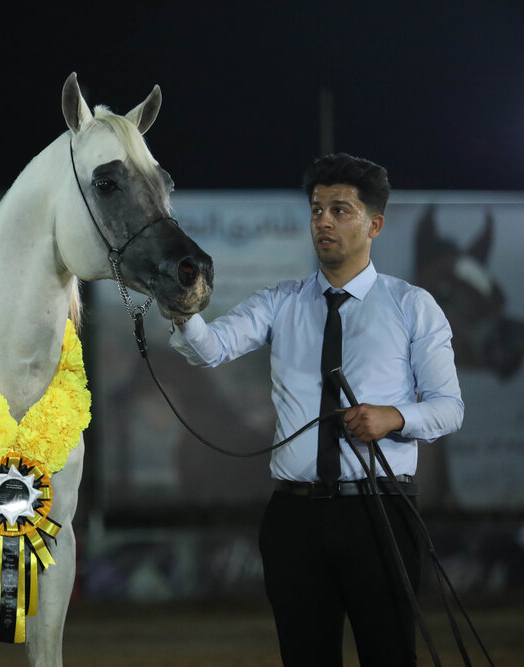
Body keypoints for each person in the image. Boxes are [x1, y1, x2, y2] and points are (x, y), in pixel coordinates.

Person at [169, 153, 463, 666]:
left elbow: (449, 408)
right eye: (316, 209)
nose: (323, 220)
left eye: (340, 210)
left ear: (375, 224)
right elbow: (209, 349)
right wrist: (181, 307)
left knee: (390, 655)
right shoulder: (281, 301)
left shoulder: (411, 305)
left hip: (380, 512)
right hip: (294, 518)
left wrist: (393, 418)